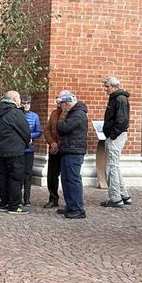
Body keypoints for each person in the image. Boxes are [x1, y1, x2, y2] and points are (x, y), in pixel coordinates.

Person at [0, 91, 31, 214]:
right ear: (15, 99)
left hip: (3, 149)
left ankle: (4, 203)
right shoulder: (15, 112)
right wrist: (28, 141)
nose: (20, 100)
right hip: (15, 150)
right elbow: (25, 130)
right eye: (19, 98)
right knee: (15, 178)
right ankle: (15, 205)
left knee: (4, 177)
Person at [100, 75, 133, 208]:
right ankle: (124, 195)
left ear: (114, 86)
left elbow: (121, 120)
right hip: (116, 135)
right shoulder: (117, 98)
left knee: (111, 167)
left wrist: (112, 135)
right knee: (114, 166)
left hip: (116, 136)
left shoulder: (119, 99)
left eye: (107, 86)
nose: (105, 89)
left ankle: (115, 197)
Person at [55, 90, 88, 220]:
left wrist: (60, 122)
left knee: (73, 180)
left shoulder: (78, 114)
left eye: (61, 104)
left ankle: (78, 208)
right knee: (66, 179)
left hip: (74, 151)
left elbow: (63, 128)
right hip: (69, 149)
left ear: (67, 103)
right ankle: (71, 205)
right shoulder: (73, 113)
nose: (60, 106)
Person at [41, 98, 64, 209]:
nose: (58, 104)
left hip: (63, 149)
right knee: (52, 175)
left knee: (66, 176)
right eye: (57, 101)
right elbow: (47, 129)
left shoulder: (68, 114)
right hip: (53, 149)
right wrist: (52, 143)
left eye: (60, 101)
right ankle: (53, 198)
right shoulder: (54, 113)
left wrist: (58, 145)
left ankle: (70, 200)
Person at [21, 95, 42, 207]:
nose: (26, 105)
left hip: (29, 149)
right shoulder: (18, 114)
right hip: (19, 148)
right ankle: (17, 197)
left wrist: (30, 136)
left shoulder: (34, 116)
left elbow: (38, 131)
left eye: (28, 103)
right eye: (24, 103)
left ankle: (27, 198)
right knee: (18, 174)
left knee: (28, 174)